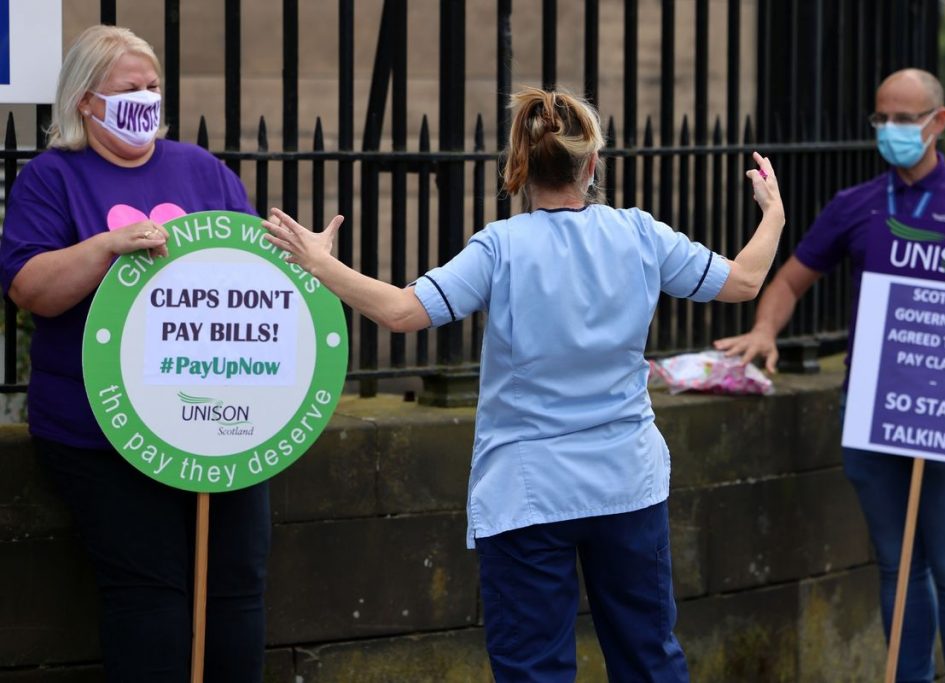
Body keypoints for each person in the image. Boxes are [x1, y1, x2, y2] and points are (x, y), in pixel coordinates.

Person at [262, 86, 785, 681]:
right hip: (628, 482)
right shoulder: (641, 235)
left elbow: (401, 313)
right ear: (592, 165)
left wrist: (322, 263)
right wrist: (772, 215)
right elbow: (744, 281)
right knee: (649, 658)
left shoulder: (501, 247)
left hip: (527, 491)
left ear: (518, 166)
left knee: (534, 669)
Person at [714, 68, 945, 683]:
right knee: (899, 565)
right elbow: (791, 279)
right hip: (873, 411)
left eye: (906, 119)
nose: (892, 130)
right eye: (883, 118)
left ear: (938, 124)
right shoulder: (853, 205)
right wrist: (765, 330)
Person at [0, 26, 269, 682]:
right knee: (151, 607)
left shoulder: (202, 170)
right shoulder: (51, 178)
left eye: (152, 88)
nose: (145, 101)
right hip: (105, 434)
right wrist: (105, 248)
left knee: (235, 594)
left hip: (216, 426)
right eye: (129, 90)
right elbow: (30, 287)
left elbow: (252, 266)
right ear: (86, 103)